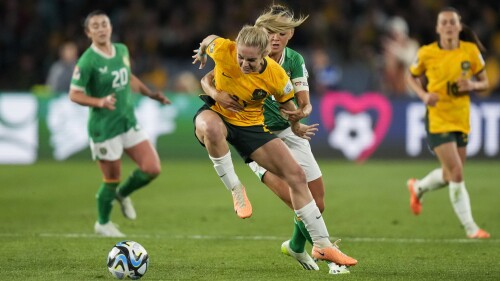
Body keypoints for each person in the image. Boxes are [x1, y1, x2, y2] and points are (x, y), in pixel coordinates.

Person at [192, 25, 357, 267]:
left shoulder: (277, 76)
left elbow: (288, 107)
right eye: (240, 57)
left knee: (297, 176)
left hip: (251, 126)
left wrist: (297, 123)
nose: (244, 64)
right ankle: (236, 189)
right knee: (211, 128)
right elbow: (208, 39)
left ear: (264, 54)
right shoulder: (224, 49)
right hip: (217, 113)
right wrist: (203, 54)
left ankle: (322, 246)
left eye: (251, 60)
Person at [69, 10, 171, 237]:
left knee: (152, 168)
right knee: (111, 179)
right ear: (88, 33)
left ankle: (123, 195)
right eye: (95, 26)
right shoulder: (87, 61)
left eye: (104, 24)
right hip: (104, 128)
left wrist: (150, 94)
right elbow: (74, 94)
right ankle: (103, 223)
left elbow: (129, 77)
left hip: (127, 121)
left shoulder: (122, 50)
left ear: (110, 27)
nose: (101, 28)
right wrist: (99, 101)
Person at [405, 7, 490, 239]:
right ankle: (471, 228)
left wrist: (472, 85)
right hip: (438, 118)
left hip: (461, 118)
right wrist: (423, 96)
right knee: (457, 172)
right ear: (438, 28)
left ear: (460, 26)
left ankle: (418, 187)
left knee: (449, 174)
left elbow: (485, 82)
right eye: (444, 22)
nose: (449, 26)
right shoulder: (427, 53)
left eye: (453, 22)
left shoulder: (470, 51)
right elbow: (410, 76)